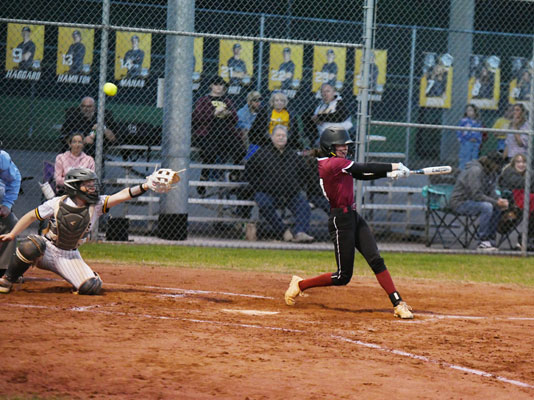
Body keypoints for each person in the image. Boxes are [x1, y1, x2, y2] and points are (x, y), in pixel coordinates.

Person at [283, 127, 414, 319]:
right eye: (340, 145)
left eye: (346, 145)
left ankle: (398, 303)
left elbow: (359, 174)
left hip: (352, 216)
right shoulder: (330, 164)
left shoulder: (339, 163)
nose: (344, 148)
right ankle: (300, 284)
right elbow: (363, 168)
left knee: (376, 260)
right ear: (329, 147)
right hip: (340, 221)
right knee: (343, 276)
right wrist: (394, 166)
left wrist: (389, 175)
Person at [0, 167, 163, 295]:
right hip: (47, 250)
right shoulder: (57, 203)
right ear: (75, 187)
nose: (93, 188)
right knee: (31, 245)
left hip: (69, 256)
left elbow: (123, 195)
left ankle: (86, 276)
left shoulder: (97, 204)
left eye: (93, 184)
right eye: (88, 185)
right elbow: (30, 216)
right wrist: (13, 234)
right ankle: (8, 279)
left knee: (91, 287)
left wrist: (145, 186)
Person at [244, 125, 314, 243]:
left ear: (287, 138)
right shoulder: (262, 153)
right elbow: (249, 172)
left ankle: (300, 232)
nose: (281, 138)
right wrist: (259, 186)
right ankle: (283, 231)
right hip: (268, 193)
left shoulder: (293, 155)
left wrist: (298, 186)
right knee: (264, 203)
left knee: (304, 206)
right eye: (278, 135)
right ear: (272, 137)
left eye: (283, 135)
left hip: (290, 194)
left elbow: (305, 173)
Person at [192, 75, 244, 194]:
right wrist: (213, 114)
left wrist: (228, 114)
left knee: (240, 150)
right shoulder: (204, 100)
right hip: (208, 132)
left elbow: (235, 119)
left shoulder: (227, 101)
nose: (219, 87)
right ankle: (203, 178)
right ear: (211, 86)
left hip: (226, 132)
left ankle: (234, 174)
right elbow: (197, 117)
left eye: (221, 84)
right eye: (216, 84)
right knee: (209, 152)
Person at [449, 152, 508, 251]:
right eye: (498, 165)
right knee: (487, 207)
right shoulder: (475, 170)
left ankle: (490, 239)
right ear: (491, 163)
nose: (499, 168)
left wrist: (499, 200)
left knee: (496, 207)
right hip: (461, 202)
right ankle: (483, 241)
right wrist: (495, 202)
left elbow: (491, 191)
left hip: (476, 202)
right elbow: (476, 195)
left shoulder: (492, 173)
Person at [498, 153, 534, 248]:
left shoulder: (529, 174)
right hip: (510, 205)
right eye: (518, 162)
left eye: (524, 162)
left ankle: (526, 239)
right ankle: (526, 239)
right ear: (513, 163)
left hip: (526, 204)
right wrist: (531, 177)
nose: (521, 164)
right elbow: (519, 184)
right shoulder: (509, 171)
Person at [306, 82, 352, 147]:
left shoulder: (340, 102)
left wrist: (319, 117)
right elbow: (308, 117)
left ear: (334, 92)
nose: (325, 94)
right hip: (323, 138)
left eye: (328, 91)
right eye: (322, 92)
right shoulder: (321, 105)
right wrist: (314, 119)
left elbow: (339, 117)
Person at [0, 148, 21, 276]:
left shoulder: (3, 159)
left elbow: (14, 179)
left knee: (11, 223)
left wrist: (7, 204)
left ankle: (4, 269)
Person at [456, 104, 483, 170]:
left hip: (475, 143)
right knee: (465, 157)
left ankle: (472, 171)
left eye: (471, 110)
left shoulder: (478, 122)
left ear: (475, 112)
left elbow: (480, 133)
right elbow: (459, 131)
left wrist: (478, 141)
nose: (468, 112)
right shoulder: (463, 121)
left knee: (474, 158)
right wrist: (462, 140)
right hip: (466, 142)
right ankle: (462, 171)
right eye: (467, 110)